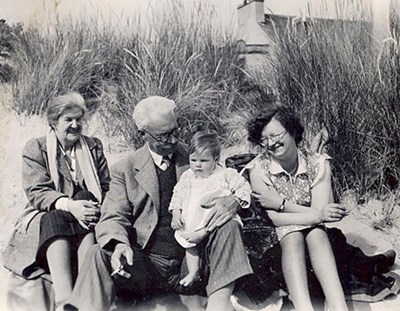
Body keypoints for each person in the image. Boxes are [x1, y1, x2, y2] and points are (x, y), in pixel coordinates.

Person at [65, 96, 253, 311]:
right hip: (147, 265)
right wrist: (119, 244)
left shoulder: (194, 156)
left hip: (194, 261)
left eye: (176, 131)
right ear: (142, 134)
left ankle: (218, 305)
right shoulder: (124, 169)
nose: (173, 140)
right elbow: (113, 216)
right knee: (98, 253)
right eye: (164, 136)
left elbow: (228, 181)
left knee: (228, 225)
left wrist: (233, 201)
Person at [3, 92, 110, 311]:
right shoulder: (37, 148)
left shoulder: (93, 146)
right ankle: (65, 299)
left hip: (88, 215)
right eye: (68, 120)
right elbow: (37, 191)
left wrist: (88, 206)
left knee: (86, 197)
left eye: (79, 119)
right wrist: (69, 205)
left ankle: (83, 292)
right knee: (57, 215)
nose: (75, 125)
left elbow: (106, 186)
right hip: (47, 217)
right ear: (54, 122)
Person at [247, 104, 348, 311]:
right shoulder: (258, 169)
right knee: (292, 235)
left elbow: (319, 214)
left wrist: (281, 204)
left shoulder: (318, 163)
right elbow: (275, 219)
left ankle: (339, 305)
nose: (271, 143)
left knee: (317, 234)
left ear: (292, 130)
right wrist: (316, 215)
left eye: (275, 135)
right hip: (274, 235)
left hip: (313, 230)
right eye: (264, 139)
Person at [169, 130, 252, 287]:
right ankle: (193, 272)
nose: (198, 165)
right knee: (189, 245)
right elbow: (177, 194)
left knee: (220, 235)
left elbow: (243, 187)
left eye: (204, 161)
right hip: (193, 218)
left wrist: (236, 200)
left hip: (216, 218)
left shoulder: (225, 174)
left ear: (216, 159)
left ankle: (224, 281)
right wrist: (175, 213)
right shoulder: (188, 176)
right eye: (193, 160)